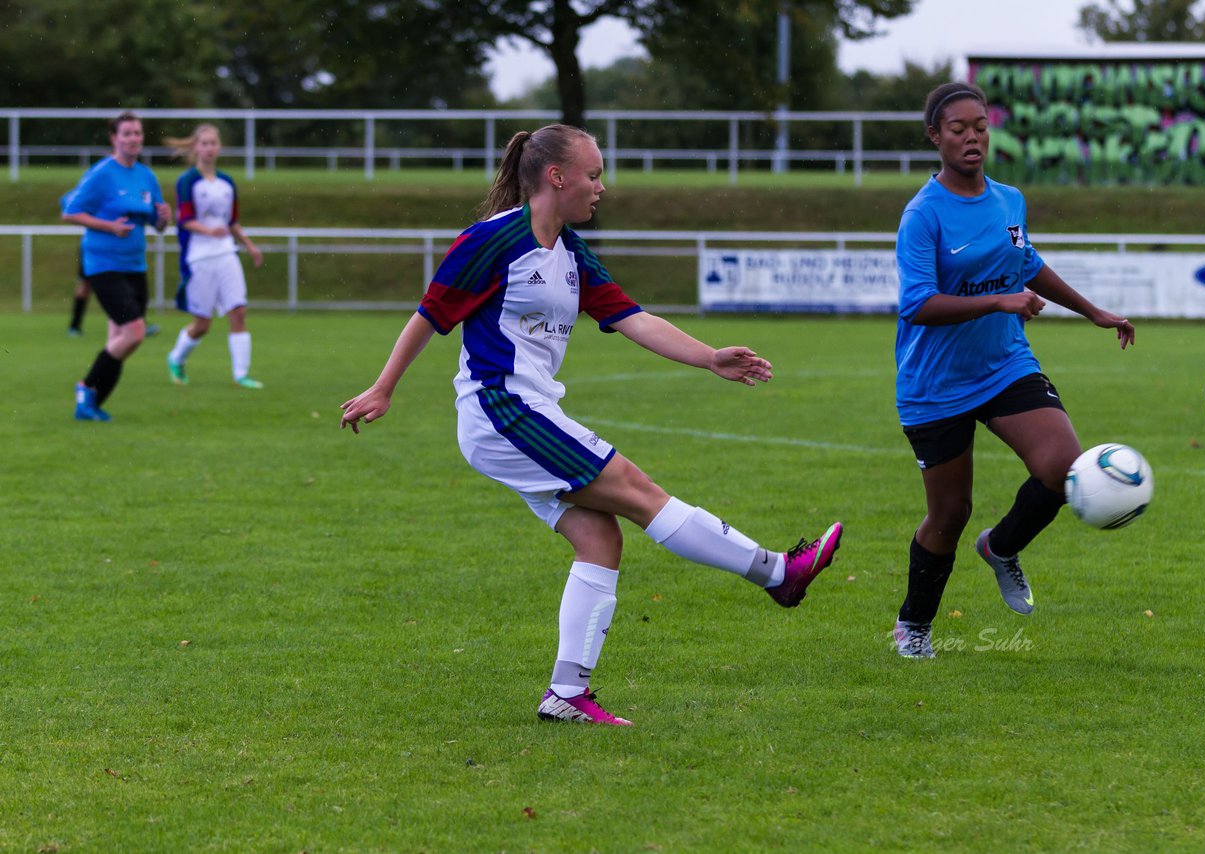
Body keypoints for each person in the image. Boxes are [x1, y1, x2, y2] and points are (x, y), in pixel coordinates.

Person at [339, 124, 844, 725]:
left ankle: (566, 694)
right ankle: (777, 573)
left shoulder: (571, 252)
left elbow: (632, 317)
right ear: (557, 177)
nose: (602, 186)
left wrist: (709, 357)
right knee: (637, 490)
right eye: (595, 173)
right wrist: (384, 387)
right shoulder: (491, 241)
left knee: (600, 538)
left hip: (531, 413)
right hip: (500, 411)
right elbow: (430, 314)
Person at [890, 83, 1135, 659]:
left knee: (1060, 468)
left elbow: (1027, 262)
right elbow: (917, 304)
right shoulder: (922, 216)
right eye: (958, 129)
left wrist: (1093, 311)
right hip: (935, 383)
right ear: (935, 136)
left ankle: (1000, 548)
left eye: (980, 126)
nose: (972, 137)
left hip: (1004, 363)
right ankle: (914, 625)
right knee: (948, 514)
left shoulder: (1008, 200)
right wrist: (999, 301)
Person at [62, 111, 171, 421]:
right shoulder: (101, 174)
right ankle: (86, 388)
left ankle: (92, 404)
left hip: (135, 265)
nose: (133, 139)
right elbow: (70, 213)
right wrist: (109, 226)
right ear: (114, 139)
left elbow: (157, 223)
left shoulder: (146, 176)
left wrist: (163, 218)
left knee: (121, 340)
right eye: (126, 134)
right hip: (103, 263)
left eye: (137, 133)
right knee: (135, 332)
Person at [163, 124, 265, 388]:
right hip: (199, 257)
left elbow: (231, 221)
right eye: (204, 143)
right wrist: (209, 230)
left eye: (213, 143)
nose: (209, 148)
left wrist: (249, 245)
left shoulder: (226, 182)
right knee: (203, 324)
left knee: (239, 312)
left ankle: (241, 374)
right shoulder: (187, 182)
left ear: (219, 147)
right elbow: (184, 220)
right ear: (196, 147)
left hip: (226, 253)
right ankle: (176, 357)